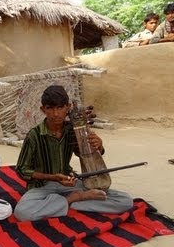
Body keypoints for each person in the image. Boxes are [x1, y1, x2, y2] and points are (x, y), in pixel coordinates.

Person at [14, 85, 133, 222]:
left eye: (60, 107)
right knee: (22, 212)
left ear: (68, 107)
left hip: (70, 184)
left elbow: (86, 155)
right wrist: (54, 177)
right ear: (43, 109)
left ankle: (61, 204)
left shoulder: (72, 130)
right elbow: (22, 170)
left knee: (125, 201)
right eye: (50, 108)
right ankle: (74, 200)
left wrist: (98, 146)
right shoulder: (34, 135)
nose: (56, 113)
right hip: (42, 188)